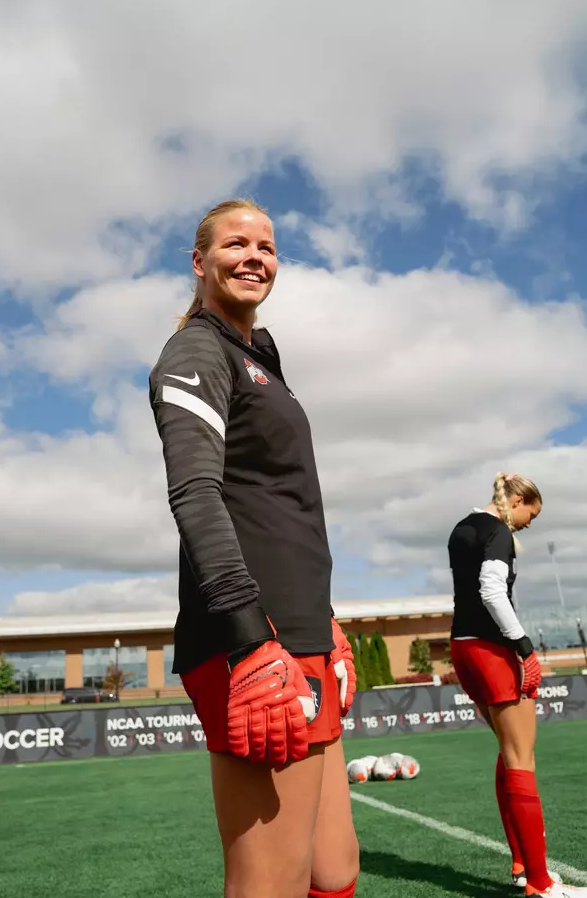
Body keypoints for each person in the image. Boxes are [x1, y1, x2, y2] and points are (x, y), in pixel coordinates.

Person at [149, 198, 359, 898]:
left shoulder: (259, 355)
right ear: (199, 260)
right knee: (270, 884)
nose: (254, 257)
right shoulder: (197, 349)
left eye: (267, 247)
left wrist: (326, 622)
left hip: (302, 636)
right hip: (254, 644)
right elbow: (196, 497)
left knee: (334, 872)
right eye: (236, 243)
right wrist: (249, 641)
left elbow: (284, 509)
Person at [448, 473, 587, 898]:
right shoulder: (498, 532)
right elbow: (492, 592)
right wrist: (525, 648)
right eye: (533, 512)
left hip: (462, 649)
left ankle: (520, 864)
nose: (530, 522)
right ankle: (540, 882)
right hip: (492, 651)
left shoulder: (462, 528)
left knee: (508, 753)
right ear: (518, 499)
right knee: (521, 759)